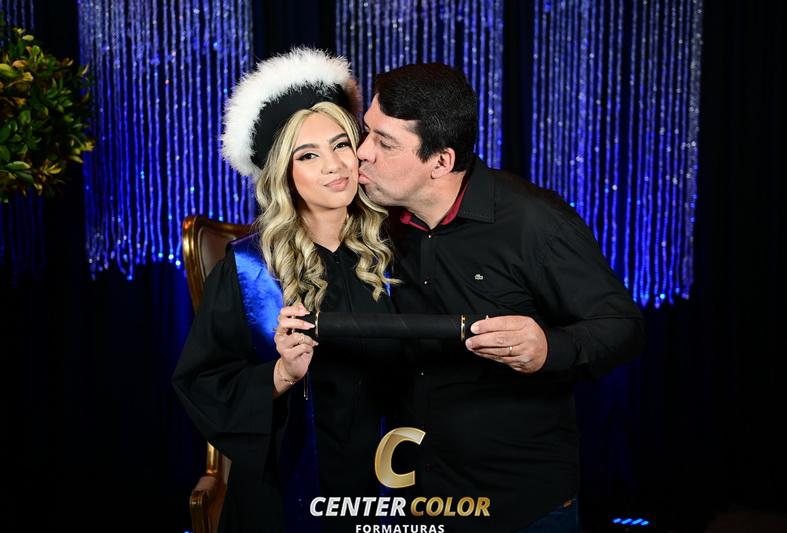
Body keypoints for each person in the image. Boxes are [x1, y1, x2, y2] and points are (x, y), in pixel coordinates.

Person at [356, 63, 646, 533]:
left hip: (521, 501)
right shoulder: (376, 217)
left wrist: (549, 347)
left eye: (384, 143)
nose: (362, 153)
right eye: (367, 131)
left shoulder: (535, 223)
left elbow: (623, 325)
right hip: (418, 490)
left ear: (441, 161)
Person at [172, 48, 399, 533]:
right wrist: (279, 374)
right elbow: (203, 383)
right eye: (308, 155)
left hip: (390, 479)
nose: (334, 166)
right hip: (285, 495)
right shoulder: (248, 269)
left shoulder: (397, 250)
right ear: (285, 174)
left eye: (342, 144)